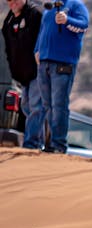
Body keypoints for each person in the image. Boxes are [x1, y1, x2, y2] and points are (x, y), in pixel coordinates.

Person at [34, 0, 89, 154]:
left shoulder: (76, 5)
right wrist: (37, 50)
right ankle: (48, 144)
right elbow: (43, 30)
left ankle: (58, 145)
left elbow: (83, 25)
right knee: (46, 105)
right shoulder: (50, 7)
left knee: (59, 105)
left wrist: (67, 20)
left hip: (63, 64)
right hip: (44, 63)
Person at [2, 0, 43, 150]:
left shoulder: (35, 14)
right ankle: (38, 141)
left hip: (37, 69)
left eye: (14, 0)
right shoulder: (10, 19)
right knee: (26, 106)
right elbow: (7, 45)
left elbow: (44, 38)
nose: (11, 3)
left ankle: (32, 144)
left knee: (35, 106)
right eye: (8, 1)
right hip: (22, 73)